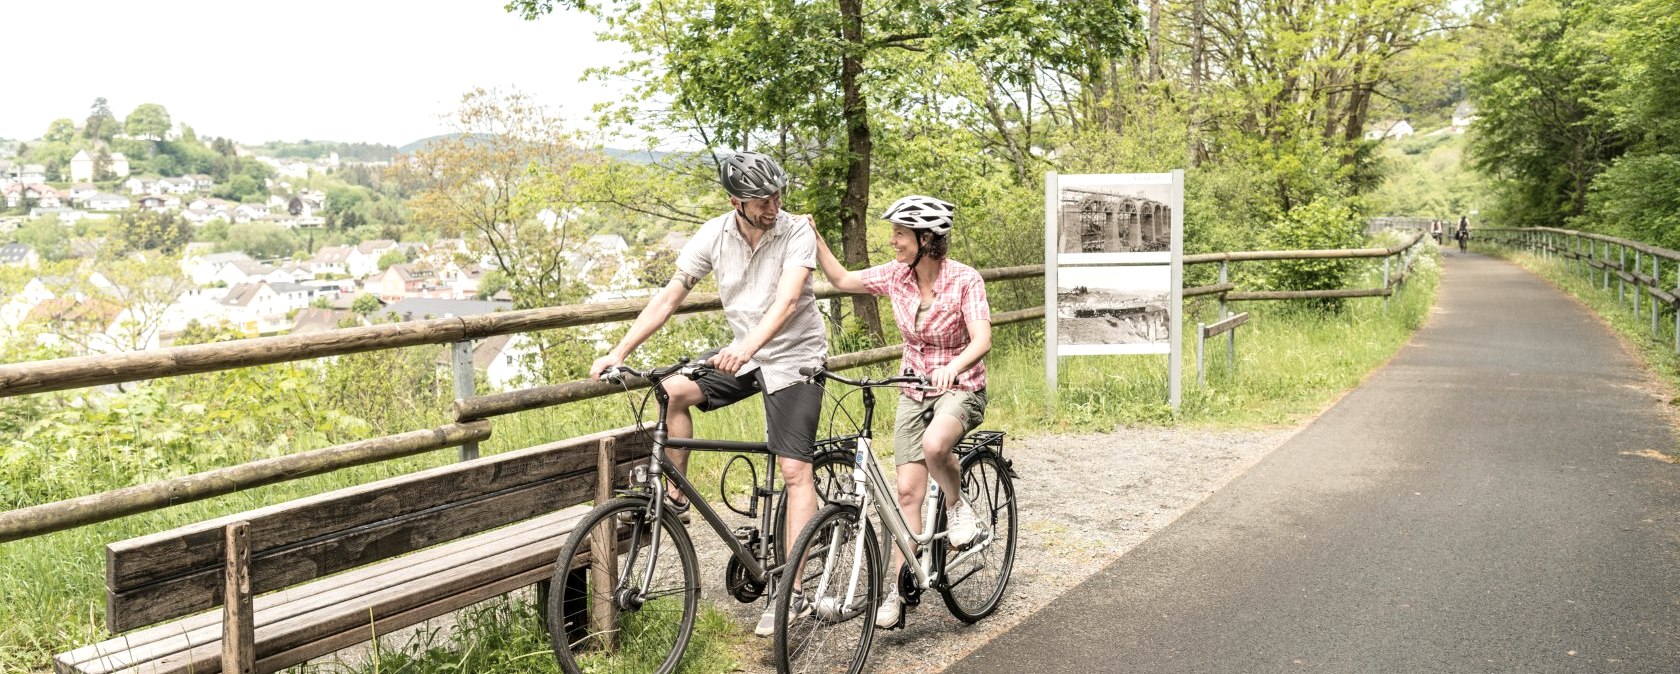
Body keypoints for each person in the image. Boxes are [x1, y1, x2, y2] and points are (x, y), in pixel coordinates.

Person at [588, 151, 827, 637]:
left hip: (794, 356)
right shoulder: (714, 234)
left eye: (778, 193)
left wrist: (747, 349)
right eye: (764, 198)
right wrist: (619, 350)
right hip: (744, 351)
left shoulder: (796, 230)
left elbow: (786, 302)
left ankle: (795, 593)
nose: (774, 204)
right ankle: (675, 495)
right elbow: (671, 295)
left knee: (794, 470)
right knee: (673, 392)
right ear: (736, 202)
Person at [806, 194, 992, 630]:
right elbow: (841, 278)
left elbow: (981, 339)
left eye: (900, 234)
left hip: (960, 387)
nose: (892, 241)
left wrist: (954, 365)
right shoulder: (896, 276)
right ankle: (899, 588)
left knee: (935, 445)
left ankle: (958, 505)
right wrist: (815, 238)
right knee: (905, 494)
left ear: (927, 239)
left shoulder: (965, 280)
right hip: (912, 387)